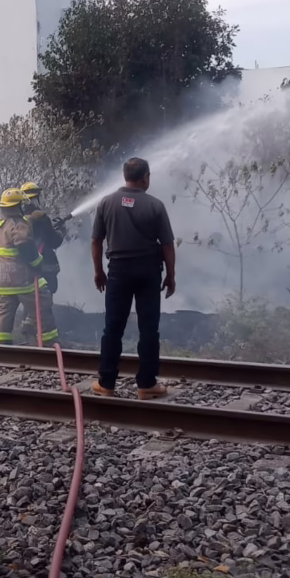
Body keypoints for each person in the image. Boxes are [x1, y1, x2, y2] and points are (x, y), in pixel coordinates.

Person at [90, 157, 175, 399]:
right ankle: (146, 385)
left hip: (118, 271)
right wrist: (171, 275)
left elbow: (96, 241)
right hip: (149, 272)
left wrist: (99, 272)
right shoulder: (155, 205)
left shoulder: (106, 202)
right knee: (149, 329)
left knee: (113, 328)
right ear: (145, 177)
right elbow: (167, 244)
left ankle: (106, 384)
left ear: (125, 176)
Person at [0, 188, 59, 346]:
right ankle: (49, 346)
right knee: (43, 304)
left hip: (2, 282)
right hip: (22, 280)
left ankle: (0, 351)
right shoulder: (18, 224)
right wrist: (38, 264)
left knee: (3, 317)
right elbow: (25, 247)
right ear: (18, 206)